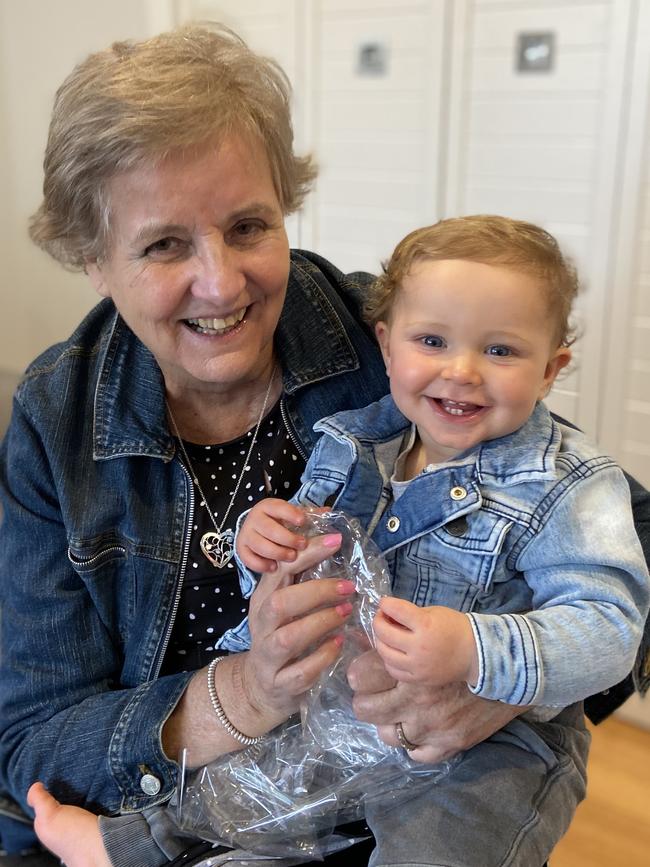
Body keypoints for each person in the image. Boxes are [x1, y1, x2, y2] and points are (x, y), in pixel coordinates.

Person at [0, 22, 648, 867]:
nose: (222, 283)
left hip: (382, 806)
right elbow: (33, 746)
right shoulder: (58, 417)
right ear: (93, 257)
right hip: (160, 803)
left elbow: (618, 547)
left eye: (246, 226)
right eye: (164, 244)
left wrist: (496, 686)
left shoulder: (413, 344)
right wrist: (251, 690)